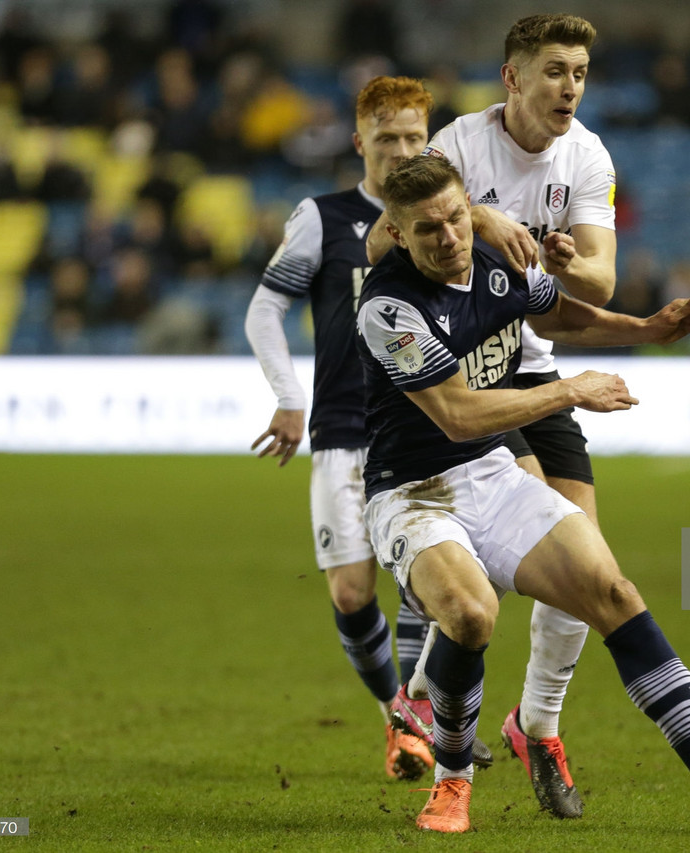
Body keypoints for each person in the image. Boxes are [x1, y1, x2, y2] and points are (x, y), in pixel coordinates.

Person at [359, 153, 690, 833]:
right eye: (428, 230)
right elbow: (455, 413)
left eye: (456, 217)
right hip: (413, 493)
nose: (449, 236)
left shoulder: (495, 261)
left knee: (614, 591)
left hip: (491, 473)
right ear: (397, 234)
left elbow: (560, 316)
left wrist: (649, 329)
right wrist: (568, 390)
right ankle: (452, 782)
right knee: (473, 614)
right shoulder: (388, 306)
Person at [366, 13, 615, 819]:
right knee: (484, 569)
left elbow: (599, 286)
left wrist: (576, 263)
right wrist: (481, 216)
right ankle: (435, 704)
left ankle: (533, 721)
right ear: (514, 78)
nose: (568, 87)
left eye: (578, 72)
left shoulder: (589, 156)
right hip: (482, 376)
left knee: (584, 567)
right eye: (554, 71)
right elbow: (382, 242)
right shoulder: (460, 146)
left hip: (537, 363)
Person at [244, 75, 489, 782]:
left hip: (420, 430)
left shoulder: (442, 218)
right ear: (361, 143)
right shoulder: (324, 218)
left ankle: (428, 730)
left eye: (415, 137)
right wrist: (290, 396)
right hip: (344, 429)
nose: (402, 150)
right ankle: (397, 714)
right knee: (352, 593)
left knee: (433, 591)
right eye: (388, 139)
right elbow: (266, 310)